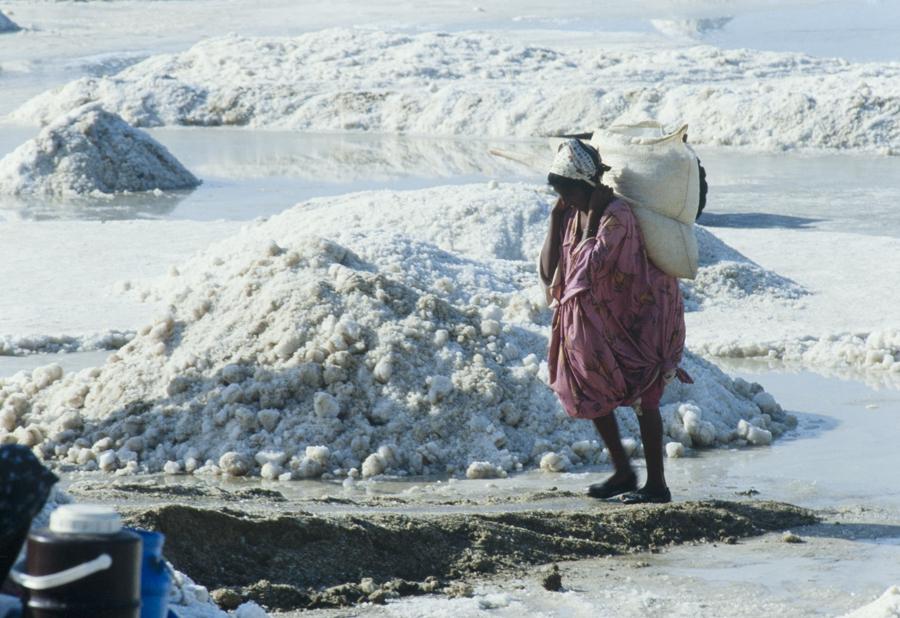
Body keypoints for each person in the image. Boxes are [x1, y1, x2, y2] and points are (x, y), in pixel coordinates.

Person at [539, 139, 691, 504]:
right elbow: (549, 273)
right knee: (592, 388)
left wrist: (590, 219)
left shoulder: (616, 216)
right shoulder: (573, 214)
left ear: (586, 187)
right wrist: (556, 218)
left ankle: (657, 485)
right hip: (599, 321)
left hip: (640, 318)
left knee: (644, 396)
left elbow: (588, 270)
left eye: (569, 193)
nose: (566, 200)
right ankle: (623, 471)